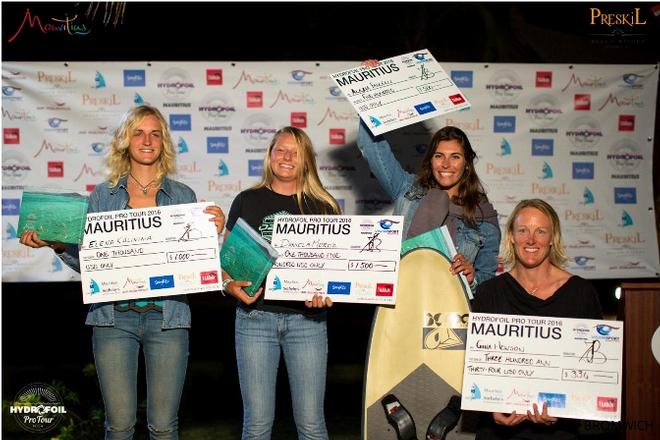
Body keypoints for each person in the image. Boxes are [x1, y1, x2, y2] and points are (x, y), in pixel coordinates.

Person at [19, 105, 226, 440]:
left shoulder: (184, 196)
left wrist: (216, 232)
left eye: (155, 134)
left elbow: (196, 262)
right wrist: (58, 246)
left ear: (164, 143)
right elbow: (90, 264)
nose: (147, 140)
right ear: (126, 141)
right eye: (138, 133)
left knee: (163, 427)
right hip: (112, 322)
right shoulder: (103, 195)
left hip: (168, 320)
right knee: (118, 427)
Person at [222, 126, 340, 440]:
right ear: (270, 155)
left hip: (308, 322)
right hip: (254, 320)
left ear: (306, 161)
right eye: (280, 150)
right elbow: (226, 264)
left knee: (312, 425)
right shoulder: (246, 200)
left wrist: (329, 295)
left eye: (295, 152)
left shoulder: (325, 207)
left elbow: (335, 273)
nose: (286, 157)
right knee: (257, 425)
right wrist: (228, 285)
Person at [357, 61, 500, 289]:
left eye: (455, 157)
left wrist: (473, 278)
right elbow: (372, 147)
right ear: (430, 160)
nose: (446, 164)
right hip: (400, 299)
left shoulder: (484, 215)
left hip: (449, 309)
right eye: (439, 156)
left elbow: (488, 278)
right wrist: (371, 89)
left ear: (467, 163)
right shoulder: (407, 189)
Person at [472, 199, 603, 440]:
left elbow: (593, 372)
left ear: (553, 238)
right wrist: (490, 406)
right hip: (498, 432)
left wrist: (564, 410)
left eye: (540, 231)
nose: (531, 240)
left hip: (559, 432)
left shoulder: (581, 293)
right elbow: (476, 369)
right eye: (523, 231)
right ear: (511, 236)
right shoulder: (488, 293)